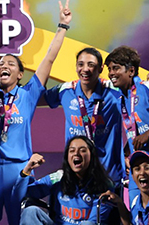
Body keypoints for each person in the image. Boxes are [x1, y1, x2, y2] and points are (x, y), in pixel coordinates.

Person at [0, 1, 70, 225]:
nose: (3, 66)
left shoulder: (29, 94)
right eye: (1, 64)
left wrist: (62, 26)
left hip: (19, 169)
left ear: (20, 74)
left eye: (10, 64)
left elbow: (48, 59)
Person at [47, 45, 124, 181]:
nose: (85, 69)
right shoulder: (65, 90)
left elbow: (140, 100)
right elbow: (32, 98)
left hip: (109, 175)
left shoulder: (115, 91)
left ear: (100, 69)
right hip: (77, 175)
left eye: (91, 65)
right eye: (81, 64)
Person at [105, 46, 149, 176]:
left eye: (116, 68)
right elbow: (134, 130)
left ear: (131, 70)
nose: (111, 73)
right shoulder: (120, 97)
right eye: (109, 69)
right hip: (138, 167)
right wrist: (127, 154)